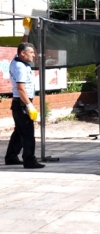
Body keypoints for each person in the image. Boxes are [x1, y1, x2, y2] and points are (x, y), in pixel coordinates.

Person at [4, 41, 45, 169]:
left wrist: (26, 31)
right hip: (22, 104)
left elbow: (22, 45)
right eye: (31, 52)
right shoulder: (20, 67)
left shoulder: (17, 60)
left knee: (19, 132)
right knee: (27, 133)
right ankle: (29, 160)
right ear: (23, 53)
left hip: (20, 103)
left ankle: (11, 157)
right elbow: (21, 88)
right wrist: (29, 106)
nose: (34, 55)